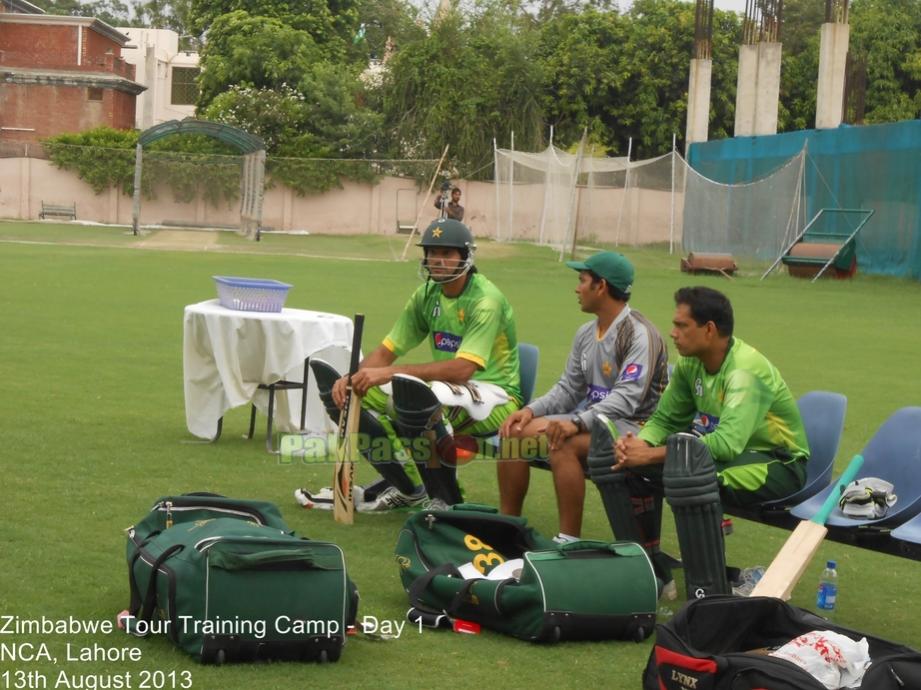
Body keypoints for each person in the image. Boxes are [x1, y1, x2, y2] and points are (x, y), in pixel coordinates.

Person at [295, 218, 520, 512]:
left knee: (419, 402)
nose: (437, 260)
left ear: (465, 257)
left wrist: (390, 374)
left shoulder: (485, 300)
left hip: (498, 396)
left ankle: (447, 500)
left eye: (447, 254)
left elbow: (463, 369)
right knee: (352, 398)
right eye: (432, 252)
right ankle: (408, 487)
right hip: (446, 390)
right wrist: (355, 378)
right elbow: (388, 351)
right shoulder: (427, 295)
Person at [599, 286, 809, 598]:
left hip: (778, 463)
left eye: (682, 326)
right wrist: (639, 445)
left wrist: (653, 454)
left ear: (709, 329)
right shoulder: (690, 363)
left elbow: (725, 445)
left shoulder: (745, 372)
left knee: (692, 475)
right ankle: (649, 571)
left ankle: (711, 590)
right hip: (723, 456)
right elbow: (666, 420)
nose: (672, 333)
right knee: (614, 464)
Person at [497, 251, 668, 543]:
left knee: (562, 443)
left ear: (601, 286)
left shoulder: (640, 334)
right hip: (595, 422)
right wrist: (530, 410)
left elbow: (626, 399)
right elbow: (568, 388)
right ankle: (507, 527)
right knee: (514, 433)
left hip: (636, 428)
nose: (577, 288)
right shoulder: (586, 333)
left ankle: (568, 542)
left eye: (582, 280)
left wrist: (576, 423)